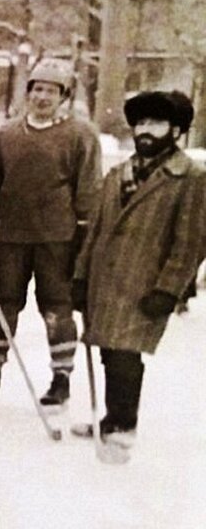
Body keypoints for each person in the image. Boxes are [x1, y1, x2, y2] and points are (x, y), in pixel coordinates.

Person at [72, 90, 205, 457]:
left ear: (176, 130)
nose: (146, 131)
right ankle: (111, 417)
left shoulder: (189, 177)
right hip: (104, 278)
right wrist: (81, 277)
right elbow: (96, 230)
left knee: (126, 354)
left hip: (143, 281)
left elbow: (190, 241)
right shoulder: (118, 174)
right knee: (109, 351)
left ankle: (123, 425)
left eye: (157, 123)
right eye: (142, 123)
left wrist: (169, 288)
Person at [0, 59, 101, 413]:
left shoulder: (80, 134)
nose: (43, 97)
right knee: (3, 304)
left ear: (64, 97)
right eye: (37, 89)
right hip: (11, 236)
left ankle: (61, 378)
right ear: (27, 93)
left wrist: (85, 236)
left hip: (57, 237)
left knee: (57, 307)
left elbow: (88, 189)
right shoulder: (8, 133)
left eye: (51, 91)